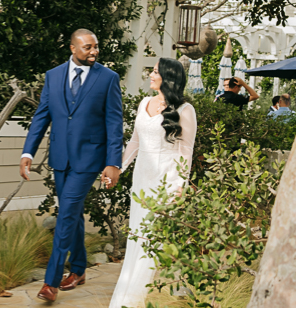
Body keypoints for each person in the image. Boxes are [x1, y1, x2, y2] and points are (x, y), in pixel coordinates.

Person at [20, 29, 123, 303]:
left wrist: (113, 162)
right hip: (61, 158)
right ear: (73, 48)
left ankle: (50, 282)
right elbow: (42, 115)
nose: (94, 52)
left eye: (96, 47)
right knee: (73, 213)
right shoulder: (53, 75)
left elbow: (114, 123)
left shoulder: (108, 78)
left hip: (90, 158)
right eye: (88, 47)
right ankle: (78, 269)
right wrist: (28, 152)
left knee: (66, 214)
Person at [109, 58, 197, 308]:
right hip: (142, 180)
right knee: (137, 236)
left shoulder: (185, 110)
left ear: (167, 78)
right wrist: (118, 168)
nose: (150, 74)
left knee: (151, 240)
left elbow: (186, 151)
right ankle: (130, 296)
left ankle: (132, 302)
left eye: (155, 72)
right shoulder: (144, 103)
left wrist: (180, 185)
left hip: (166, 182)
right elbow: (135, 142)